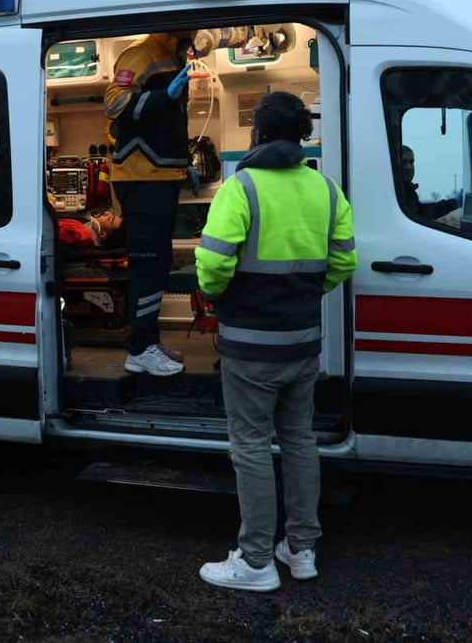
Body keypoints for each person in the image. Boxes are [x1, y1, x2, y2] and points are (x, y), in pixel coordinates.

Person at [194, 93, 357, 592]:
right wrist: (304, 294)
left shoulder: (241, 188)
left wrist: (218, 294)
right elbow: (344, 261)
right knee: (300, 441)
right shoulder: (326, 190)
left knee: (250, 448)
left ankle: (256, 560)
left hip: (249, 347)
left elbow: (214, 264)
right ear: (302, 136)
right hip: (302, 343)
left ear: (258, 135)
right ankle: (301, 549)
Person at [104, 32, 194, 377]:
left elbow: (167, 126)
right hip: (140, 176)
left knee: (158, 265)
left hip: (160, 175)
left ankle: (147, 340)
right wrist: (160, 97)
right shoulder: (142, 55)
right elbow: (113, 103)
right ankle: (140, 348)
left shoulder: (174, 54)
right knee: (147, 266)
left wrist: (182, 164)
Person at [400, 145, 458, 221]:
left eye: (411, 162)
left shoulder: (407, 191)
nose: (409, 167)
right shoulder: (396, 193)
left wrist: (453, 203)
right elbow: (420, 216)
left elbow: (422, 211)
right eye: (404, 162)